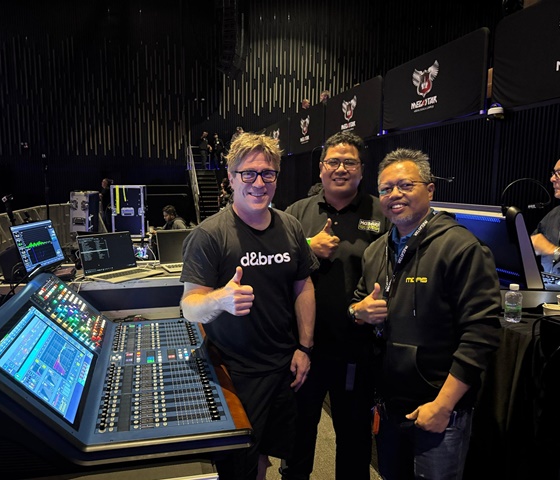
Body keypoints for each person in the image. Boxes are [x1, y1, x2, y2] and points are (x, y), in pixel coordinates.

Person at [350, 148, 501, 479]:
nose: (395, 194)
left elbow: (482, 333)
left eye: (406, 185)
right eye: (386, 188)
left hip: (440, 410)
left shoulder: (460, 247)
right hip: (390, 406)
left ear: (430, 190)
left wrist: (443, 406)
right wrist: (358, 311)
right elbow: (357, 303)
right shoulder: (376, 251)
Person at [180, 133, 319, 480]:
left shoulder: (291, 226)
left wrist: (304, 347)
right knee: (238, 465)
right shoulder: (209, 235)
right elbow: (190, 307)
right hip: (235, 374)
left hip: (283, 367)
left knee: (267, 455)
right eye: (249, 173)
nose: (259, 183)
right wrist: (220, 299)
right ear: (231, 178)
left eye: (267, 173)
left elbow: (303, 285)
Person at [282, 131, 390, 480]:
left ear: (362, 169)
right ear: (321, 168)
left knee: (354, 442)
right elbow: (276, 267)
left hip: (357, 352)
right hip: (304, 351)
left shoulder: (382, 213)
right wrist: (307, 247)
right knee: (298, 439)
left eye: (349, 162)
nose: (340, 169)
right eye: (333, 161)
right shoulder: (296, 213)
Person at [531, 158, 560, 274]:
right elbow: (531, 244)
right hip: (548, 283)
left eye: (559, 173)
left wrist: (553, 251)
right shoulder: (553, 215)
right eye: (554, 173)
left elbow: (548, 249)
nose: (552, 179)